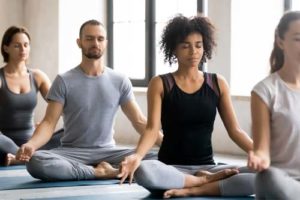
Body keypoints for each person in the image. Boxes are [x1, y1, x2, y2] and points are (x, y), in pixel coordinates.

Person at [119, 14, 254, 198]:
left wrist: (262, 155)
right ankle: (203, 181)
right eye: (185, 46)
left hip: (208, 167)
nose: (193, 52)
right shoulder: (160, 83)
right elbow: (151, 130)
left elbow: (235, 130)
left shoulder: (217, 83)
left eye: (198, 45)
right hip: (171, 169)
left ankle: (196, 187)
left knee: (266, 174)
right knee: (143, 170)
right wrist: (137, 156)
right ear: (174, 50)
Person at [16, 19, 162, 181]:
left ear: (106, 43)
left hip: (108, 152)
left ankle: (99, 169)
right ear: (79, 42)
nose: (95, 43)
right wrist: (32, 144)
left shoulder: (120, 80)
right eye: (89, 38)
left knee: (161, 156)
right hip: (72, 152)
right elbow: (49, 123)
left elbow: (140, 121)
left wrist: (170, 145)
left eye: (100, 39)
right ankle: (102, 172)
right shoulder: (63, 80)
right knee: (37, 162)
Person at [247, 11, 300, 199]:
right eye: (298, 39)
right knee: (266, 179)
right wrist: (258, 158)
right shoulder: (265, 91)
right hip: (283, 182)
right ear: (280, 41)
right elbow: (262, 148)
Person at [0, 26, 61, 166]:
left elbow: (60, 106)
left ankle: (18, 158)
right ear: (6, 48)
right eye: (17, 45)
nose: (23, 50)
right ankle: (29, 157)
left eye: (26, 45)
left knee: (67, 134)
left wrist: (45, 125)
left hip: (33, 142)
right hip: (4, 142)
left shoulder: (37, 76)